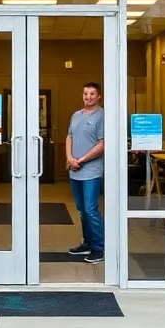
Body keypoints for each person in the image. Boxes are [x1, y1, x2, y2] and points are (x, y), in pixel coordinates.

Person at [65, 82, 105, 264]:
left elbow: (102, 144)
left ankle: (98, 248)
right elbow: (69, 137)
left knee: (90, 210)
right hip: (74, 170)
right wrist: (70, 158)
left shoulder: (102, 116)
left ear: (99, 96)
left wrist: (80, 160)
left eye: (92, 94)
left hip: (91, 171)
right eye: (85, 93)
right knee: (81, 210)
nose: (88, 97)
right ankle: (87, 243)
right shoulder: (76, 115)